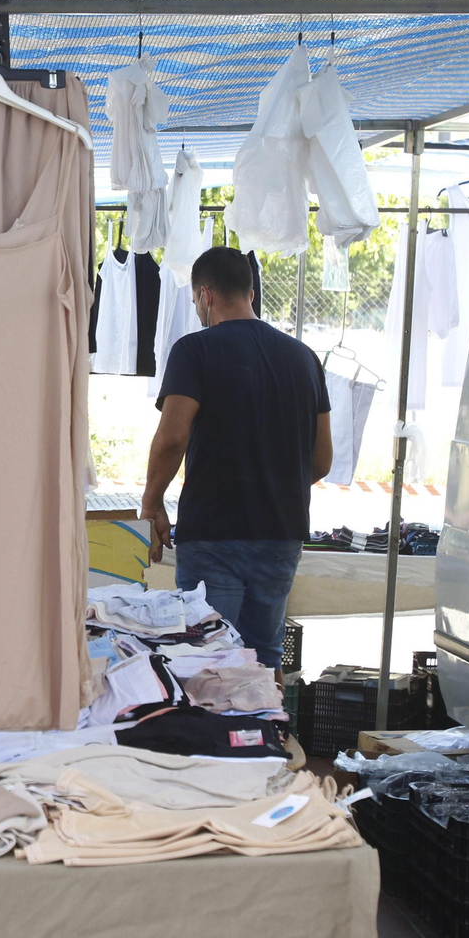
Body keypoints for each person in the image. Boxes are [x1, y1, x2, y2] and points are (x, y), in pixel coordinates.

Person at [140, 247, 332, 671]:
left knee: (209, 655)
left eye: (195, 301)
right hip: (281, 532)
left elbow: (172, 438)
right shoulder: (304, 358)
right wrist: (273, 483)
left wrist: (152, 504)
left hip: (213, 534)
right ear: (250, 293)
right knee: (264, 657)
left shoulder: (194, 351)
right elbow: (321, 461)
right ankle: (267, 716)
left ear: (206, 296)